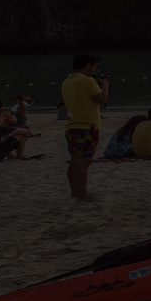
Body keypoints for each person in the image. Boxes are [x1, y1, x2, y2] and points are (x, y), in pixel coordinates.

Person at [61, 53, 109, 201]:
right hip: (87, 125)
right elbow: (102, 100)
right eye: (94, 66)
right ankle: (83, 193)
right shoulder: (88, 81)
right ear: (88, 65)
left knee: (75, 159)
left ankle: (75, 192)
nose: (94, 70)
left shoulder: (67, 82)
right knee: (86, 160)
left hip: (72, 125)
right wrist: (105, 85)